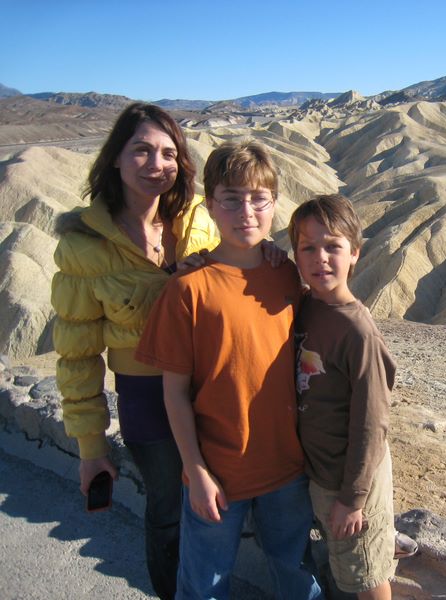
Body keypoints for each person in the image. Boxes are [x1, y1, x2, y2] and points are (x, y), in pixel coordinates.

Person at [135, 140, 323, 600]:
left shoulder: (286, 274)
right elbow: (174, 394)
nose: (247, 212)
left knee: (298, 578)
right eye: (232, 199)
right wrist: (195, 471)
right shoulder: (188, 289)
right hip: (218, 475)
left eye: (259, 199)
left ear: (275, 204)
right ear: (211, 206)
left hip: (287, 469)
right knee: (203, 585)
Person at [51, 102, 219, 599]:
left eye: (168, 153)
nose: (156, 164)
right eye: (141, 150)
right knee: (167, 506)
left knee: (218, 498)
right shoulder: (85, 246)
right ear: (116, 158)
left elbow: (238, 271)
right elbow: (77, 355)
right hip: (146, 396)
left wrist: (269, 253)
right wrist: (91, 449)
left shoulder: (200, 219)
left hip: (213, 388)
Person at [288, 194, 398, 599]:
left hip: (350, 480)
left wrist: (353, 500)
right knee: (346, 561)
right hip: (322, 471)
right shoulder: (305, 305)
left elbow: (372, 423)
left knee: (366, 574)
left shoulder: (358, 333)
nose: (320, 258)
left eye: (332, 246)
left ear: (355, 253)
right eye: (308, 248)